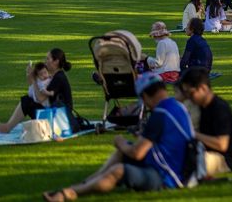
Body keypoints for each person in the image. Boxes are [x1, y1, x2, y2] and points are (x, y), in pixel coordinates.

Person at [42, 73, 194, 200]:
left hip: (168, 177)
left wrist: (119, 141)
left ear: (146, 95)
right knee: (122, 152)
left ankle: (71, 193)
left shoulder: (160, 114)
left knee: (119, 170)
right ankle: (86, 183)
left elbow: (137, 153)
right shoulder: (177, 106)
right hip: (179, 167)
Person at [0, 48, 73, 133]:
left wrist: (34, 79)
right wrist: (30, 75)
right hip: (56, 114)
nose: (45, 61)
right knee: (28, 99)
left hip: (60, 118)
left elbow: (40, 98)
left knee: (26, 101)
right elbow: (33, 88)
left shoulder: (58, 78)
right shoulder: (52, 75)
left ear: (56, 61)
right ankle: (7, 127)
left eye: (48, 58)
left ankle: (7, 128)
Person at [179, 67, 232, 176]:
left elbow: (222, 144)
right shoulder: (200, 106)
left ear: (203, 88)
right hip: (203, 152)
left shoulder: (219, 108)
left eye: (191, 93)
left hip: (221, 159)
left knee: (186, 161)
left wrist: (193, 134)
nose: (188, 97)